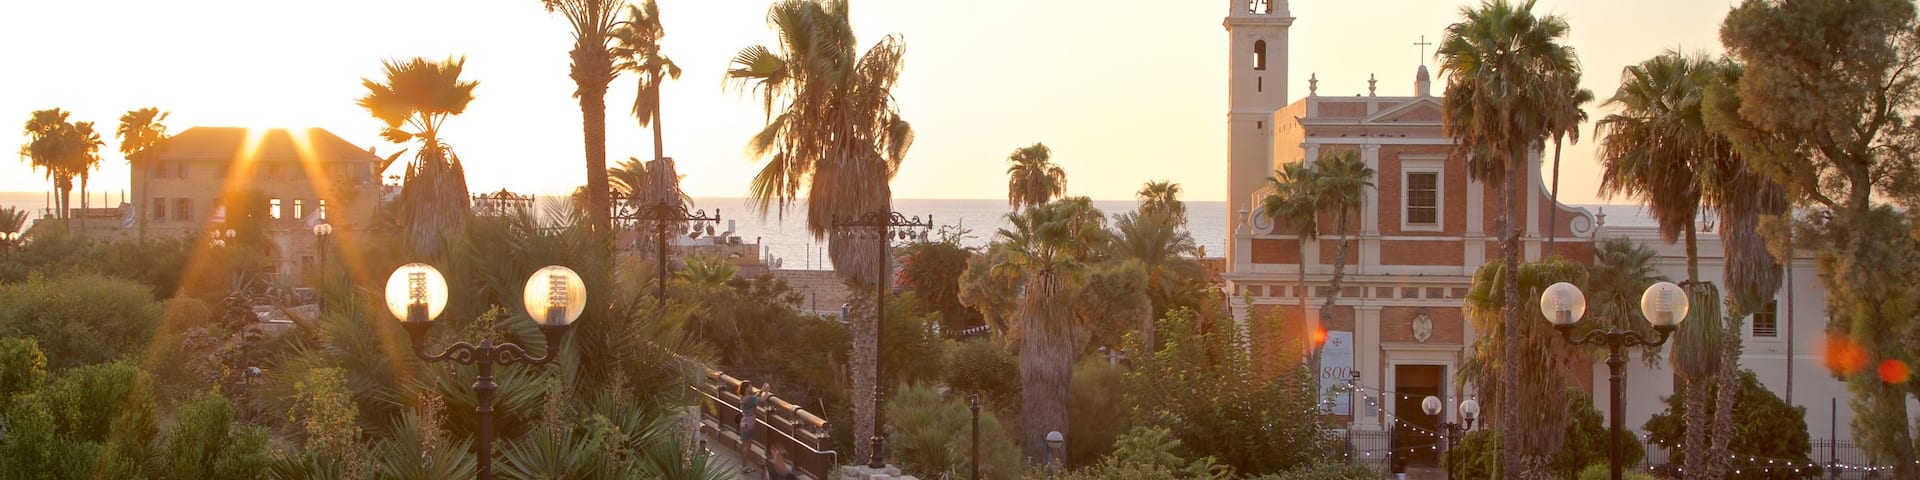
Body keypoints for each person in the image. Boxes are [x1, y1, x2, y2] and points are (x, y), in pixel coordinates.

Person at [739, 382, 763, 472]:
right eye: (750, 386)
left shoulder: (744, 398)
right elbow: (761, 400)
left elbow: (755, 398)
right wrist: (767, 390)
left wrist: (761, 390)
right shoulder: (748, 399)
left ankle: (743, 465)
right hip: (749, 424)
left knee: (745, 445)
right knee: (747, 446)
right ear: (746, 388)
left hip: (744, 422)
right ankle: (744, 466)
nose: (752, 388)